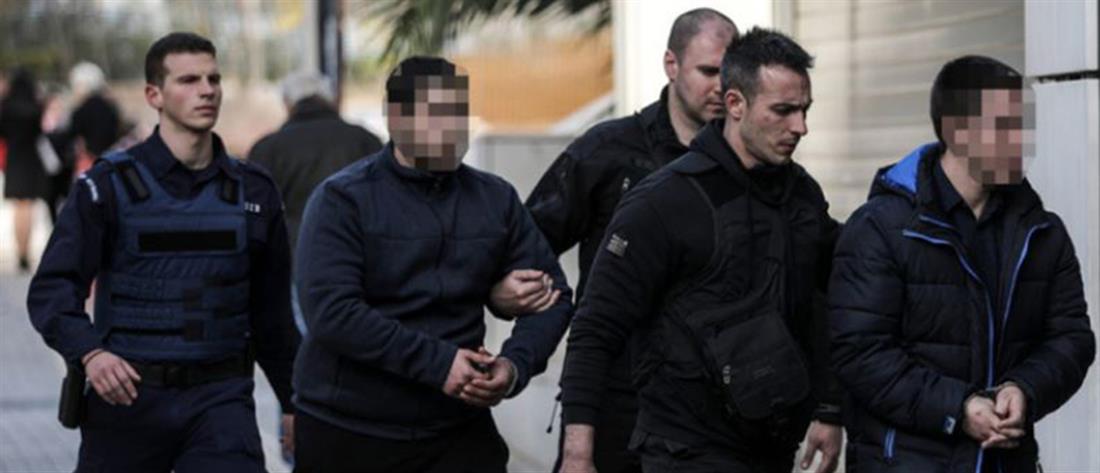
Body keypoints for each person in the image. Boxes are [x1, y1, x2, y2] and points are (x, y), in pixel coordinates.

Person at [559, 28, 843, 473]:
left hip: (772, 447)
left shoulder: (802, 196)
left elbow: (826, 302)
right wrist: (577, 455)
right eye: (783, 111)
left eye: (804, 110)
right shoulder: (665, 201)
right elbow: (596, 328)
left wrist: (830, 407)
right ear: (735, 104)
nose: (800, 127)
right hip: (684, 450)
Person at [26, 32, 299, 472]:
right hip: (128, 400)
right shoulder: (106, 186)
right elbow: (52, 290)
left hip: (220, 403)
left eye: (213, 79)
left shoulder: (254, 190)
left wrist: (294, 402)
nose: (207, 90)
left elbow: (274, 317)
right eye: (189, 80)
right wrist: (90, 354)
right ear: (154, 95)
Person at [291, 56, 574, 473]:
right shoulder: (343, 200)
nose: (451, 128)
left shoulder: (495, 198)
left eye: (458, 113)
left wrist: (514, 366)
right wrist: (439, 364)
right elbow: (332, 311)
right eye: (436, 114)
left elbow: (555, 296)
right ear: (395, 118)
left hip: (457, 431)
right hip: (350, 429)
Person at [828, 55, 1096, 473]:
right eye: (1004, 126)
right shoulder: (880, 228)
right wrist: (957, 407)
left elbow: (1071, 339)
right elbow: (860, 352)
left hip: (1006, 462)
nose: (1020, 142)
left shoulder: (1042, 232)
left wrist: (1025, 390)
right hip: (906, 463)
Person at [525, 8, 737, 472]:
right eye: (708, 71)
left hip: (711, 404)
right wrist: (523, 296)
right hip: (612, 392)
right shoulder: (607, 150)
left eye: (731, 73)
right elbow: (528, 240)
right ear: (671, 65)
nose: (721, 87)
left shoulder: (747, 165)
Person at [248, 70, 382, 252]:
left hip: (293, 254)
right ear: (330, 99)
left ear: (287, 103)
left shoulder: (267, 148)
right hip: (358, 251)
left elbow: (256, 216)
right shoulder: (365, 140)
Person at [1, 69, 49, 272]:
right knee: (28, 207)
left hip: (14, 160)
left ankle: (20, 253)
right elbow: (40, 133)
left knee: (17, 208)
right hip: (31, 160)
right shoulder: (35, 109)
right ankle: (26, 252)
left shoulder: (6, 108)